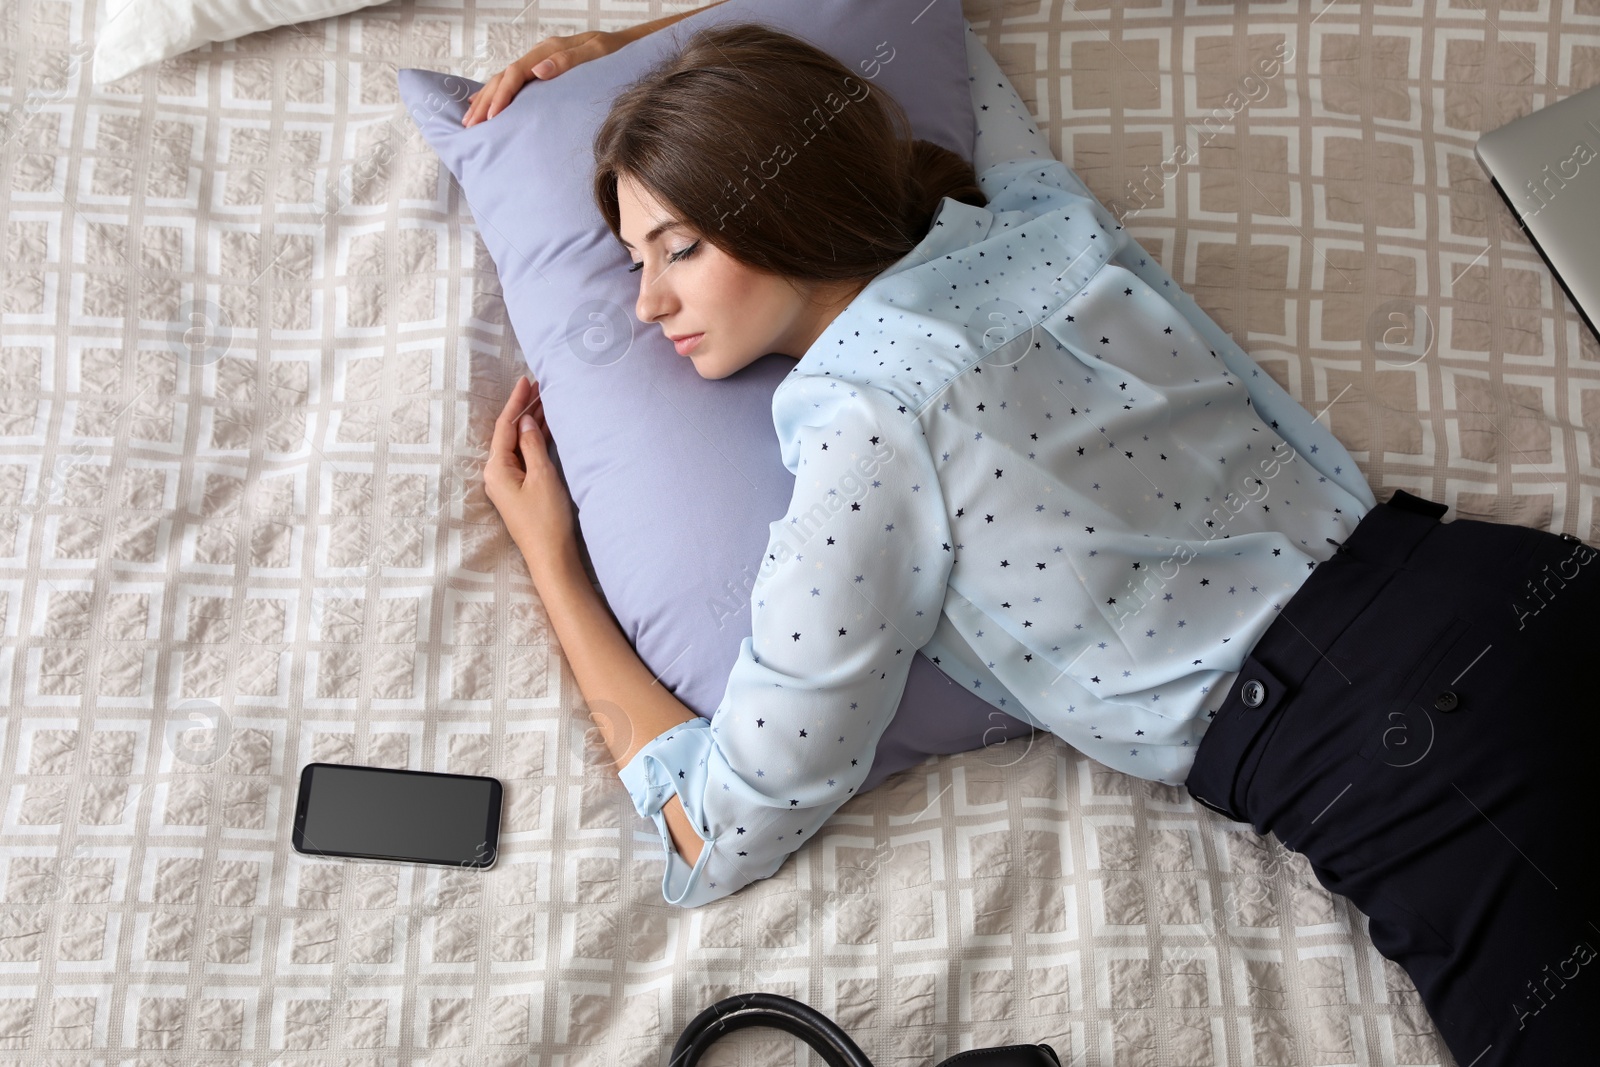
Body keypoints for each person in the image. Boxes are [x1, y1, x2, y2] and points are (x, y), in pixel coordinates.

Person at [475, 14, 1597, 1067]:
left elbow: (722, 824)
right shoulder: (1035, 215)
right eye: (632, 262)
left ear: (782, 200)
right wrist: (621, 47)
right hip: (1502, 581)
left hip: (1391, 752)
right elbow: (911, 21)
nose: (642, 304)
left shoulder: (866, 432)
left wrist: (552, 563)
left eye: (675, 247)